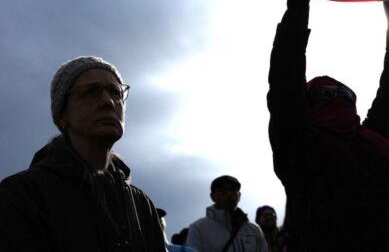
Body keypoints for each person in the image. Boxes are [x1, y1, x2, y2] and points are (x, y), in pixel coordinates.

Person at [267, 0, 389, 251]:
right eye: (325, 95)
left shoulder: (374, 142)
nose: (339, 99)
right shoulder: (299, 147)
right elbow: (285, 76)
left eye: (347, 95)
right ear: (306, 107)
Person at [0, 56, 166, 251]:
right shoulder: (22, 195)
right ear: (63, 115)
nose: (108, 102)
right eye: (91, 92)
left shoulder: (142, 205)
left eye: (115, 92)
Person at [186, 175, 268, 252]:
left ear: (239, 196)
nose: (229, 194)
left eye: (233, 190)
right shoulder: (198, 228)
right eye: (223, 190)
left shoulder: (254, 230)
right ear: (212, 196)